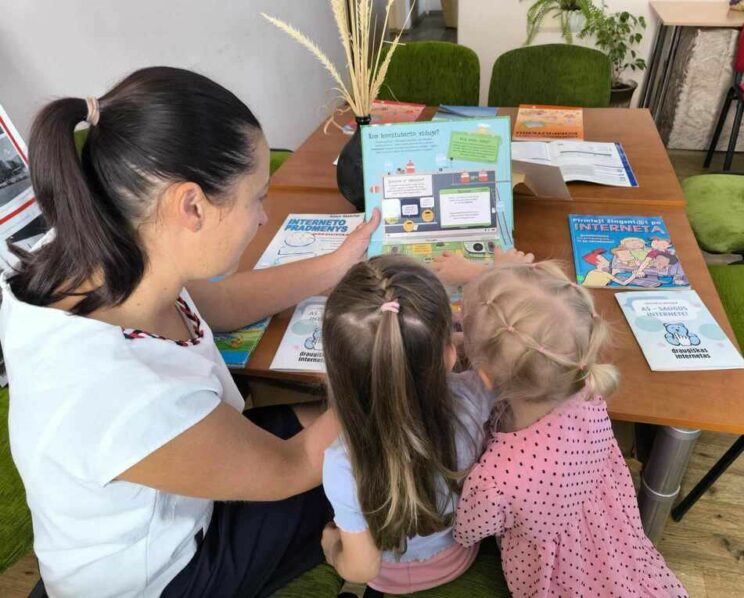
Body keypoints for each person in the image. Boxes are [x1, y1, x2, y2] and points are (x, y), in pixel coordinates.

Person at [0, 66, 380, 598]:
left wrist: (333, 267)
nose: (263, 218)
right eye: (257, 198)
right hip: (165, 575)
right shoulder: (119, 391)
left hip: (161, 497)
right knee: (372, 453)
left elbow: (215, 307)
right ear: (192, 206)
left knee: (336, 426)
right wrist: (392, 364)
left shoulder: (101, 251)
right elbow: (291, 467)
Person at [447, 260, 688, 597]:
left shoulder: (495, 476)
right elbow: (537, 322)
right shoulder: (587, 385)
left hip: (558, 571)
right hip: (605, 531)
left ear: (483, 374)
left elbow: (467, 531)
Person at [318, 255, 499, 595]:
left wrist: (332, 548)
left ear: (335, 367)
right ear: (448, 354)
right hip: (460, 555)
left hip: (387, 578)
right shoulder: (473, 400)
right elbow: (514, 350)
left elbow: (360, 568)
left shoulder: (342, 463)